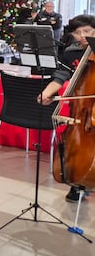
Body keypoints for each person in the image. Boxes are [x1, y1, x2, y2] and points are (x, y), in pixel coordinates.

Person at [39, 14, 95, 203]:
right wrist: (46, 93)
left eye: (87, 31)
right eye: (77, 33)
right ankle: (77, 182)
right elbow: (60, 76)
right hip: (80, 107)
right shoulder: (71, 52)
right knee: (76, 141)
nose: (82, 36)